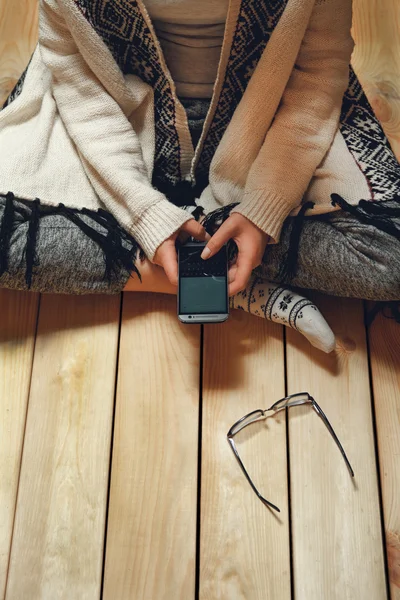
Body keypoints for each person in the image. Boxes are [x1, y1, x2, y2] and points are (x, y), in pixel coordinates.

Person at [0, 0, 399, 353]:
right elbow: (79, 82)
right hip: (115, 102)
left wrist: (264, 208)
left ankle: (194, 263)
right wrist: (143, 213)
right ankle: (231, 283)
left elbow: (318, 69)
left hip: (272, 107)